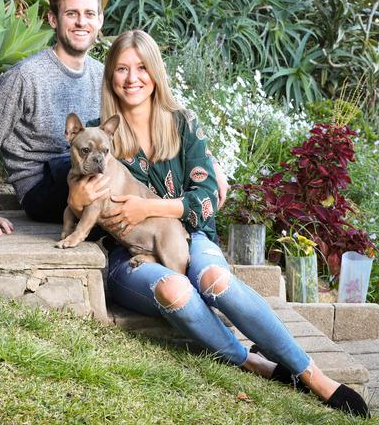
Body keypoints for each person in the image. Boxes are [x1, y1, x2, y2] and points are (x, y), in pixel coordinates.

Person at [67, 29, 369, 417]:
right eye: (122, 69)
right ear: (110, 75)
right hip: (128, 254)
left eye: (141, 67)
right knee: (175, 289)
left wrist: (151, 209)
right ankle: (253, 361)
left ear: (155, 72)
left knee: (215, 281)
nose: (132, 78)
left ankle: (313, 375)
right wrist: (77, 198)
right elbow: (71, 190)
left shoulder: (182, 124)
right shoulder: (98, 133)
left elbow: (206, 199)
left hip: (192, 235)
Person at [0, 0, 228, 236]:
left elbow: (143, 118)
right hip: (45, 186)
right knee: (98, 169)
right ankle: (171, 234)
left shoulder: (104, 75)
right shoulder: (26, 76)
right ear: (53, 20)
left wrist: (207, 162)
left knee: (125, 167)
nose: (82, 21)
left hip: (94, 171)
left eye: (89, 13)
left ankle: (183, 235)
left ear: (99, 21)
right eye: (72, 13)